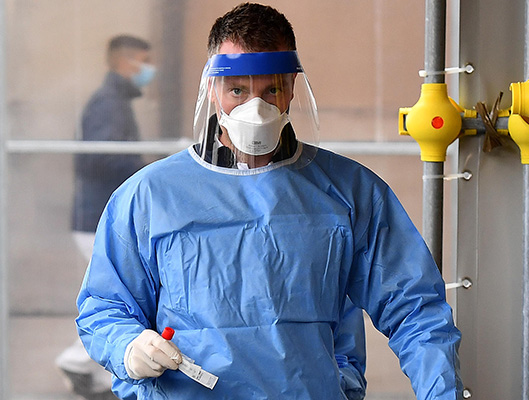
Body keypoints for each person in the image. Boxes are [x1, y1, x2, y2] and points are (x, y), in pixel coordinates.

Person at [74, 3, 461, 399]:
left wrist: (441, 392)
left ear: (293, 86)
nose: (254, 109)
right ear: (212, 87)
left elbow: (415, 309)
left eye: (271, 89)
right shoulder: (150, 196)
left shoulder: (348, 192)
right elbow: (105, 305)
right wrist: (129, 348)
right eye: (237, 89)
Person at [58, 34, 155, 400]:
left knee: (113, 296)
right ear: (123, 62)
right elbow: (101, 157)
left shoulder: (114, 101)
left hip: (98, 216)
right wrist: (148, 172)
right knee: (114, 298)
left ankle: (93, 375)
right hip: (96, 217)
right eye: (142, 62)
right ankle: (76, 360)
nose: (148, 71)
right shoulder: (108, 104)